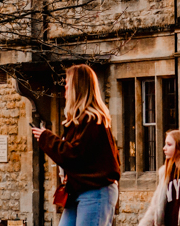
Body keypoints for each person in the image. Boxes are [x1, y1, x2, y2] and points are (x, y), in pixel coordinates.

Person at [31, 65, 120, 226]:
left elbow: (74, 155)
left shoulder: (93, 121)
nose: (64, 86)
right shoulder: (78, 122)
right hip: (78, 190)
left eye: (68, 82)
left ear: (78, 87)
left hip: (96, 192)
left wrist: (47, 138)